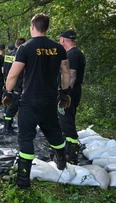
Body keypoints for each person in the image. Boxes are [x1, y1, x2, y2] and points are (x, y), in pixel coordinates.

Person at [3, 13, 71, 188]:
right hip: (49, 100)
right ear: (47, 28)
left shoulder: (25, 48)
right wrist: (64, 92)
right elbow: (65, 72)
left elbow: (13, 74)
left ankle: (23, 180)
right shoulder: (58, 48)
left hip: (30, 101)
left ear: (32, 26)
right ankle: (62, 162)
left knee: (25, 138)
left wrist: (7, 92)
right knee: (54, 132)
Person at [58, 30, 86, 165]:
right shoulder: (74, 53)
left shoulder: (73, 54)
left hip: (69, 94)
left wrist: (65, 93)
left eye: (60, 39)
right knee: (65, 120)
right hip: (70, 93)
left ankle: (72, 154)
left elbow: (71, 75)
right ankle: (68, 149)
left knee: (67, 120)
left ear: (63, 40)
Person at [3, 38, 26, 133]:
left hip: (8, 80)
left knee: (8, 102)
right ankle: (7, 127)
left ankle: (8, 124)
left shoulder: (8, 54)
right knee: (13, 105)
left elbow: (5, 68)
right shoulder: (20, 54)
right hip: (17, 81)